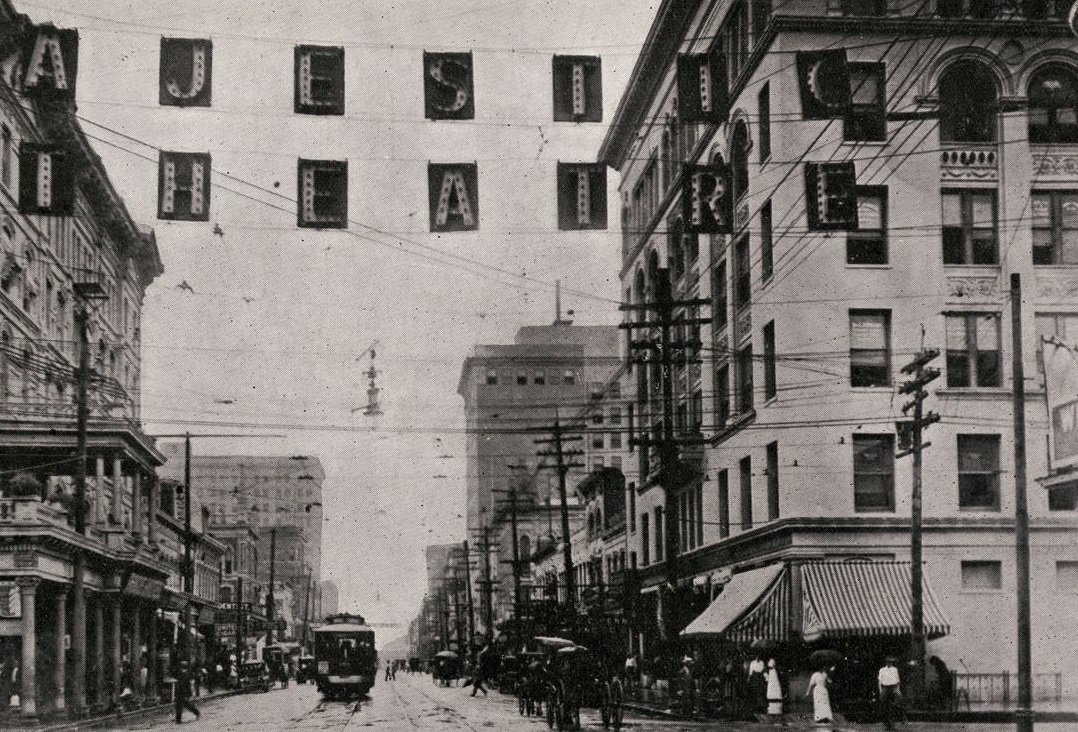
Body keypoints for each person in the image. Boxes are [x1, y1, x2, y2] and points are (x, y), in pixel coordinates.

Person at [878, 656, 903, 730]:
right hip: (885, 688)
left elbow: (897, 680)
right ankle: (887, 724)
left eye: (891, 662)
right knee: (884, 706)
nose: (890, 663)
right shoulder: (882, 670)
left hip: (893, 688)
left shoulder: (895, 669)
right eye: (888, 662)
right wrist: (880, 691)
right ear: (886, 662)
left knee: (895, 705)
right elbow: (880, 681)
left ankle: (893, 724)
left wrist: (898, 690)